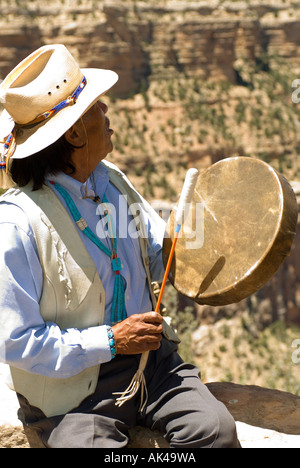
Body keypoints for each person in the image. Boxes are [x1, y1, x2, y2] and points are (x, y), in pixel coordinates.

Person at [0, 44, 241, 448]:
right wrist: (111, 341)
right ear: (74, 133)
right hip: (74, 392)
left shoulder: (111, 182)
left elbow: (158, 250)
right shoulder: (17, 223)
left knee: (215, 432)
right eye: (97, 106)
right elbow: (16, 341)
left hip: (152, 364)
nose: (107, 112)